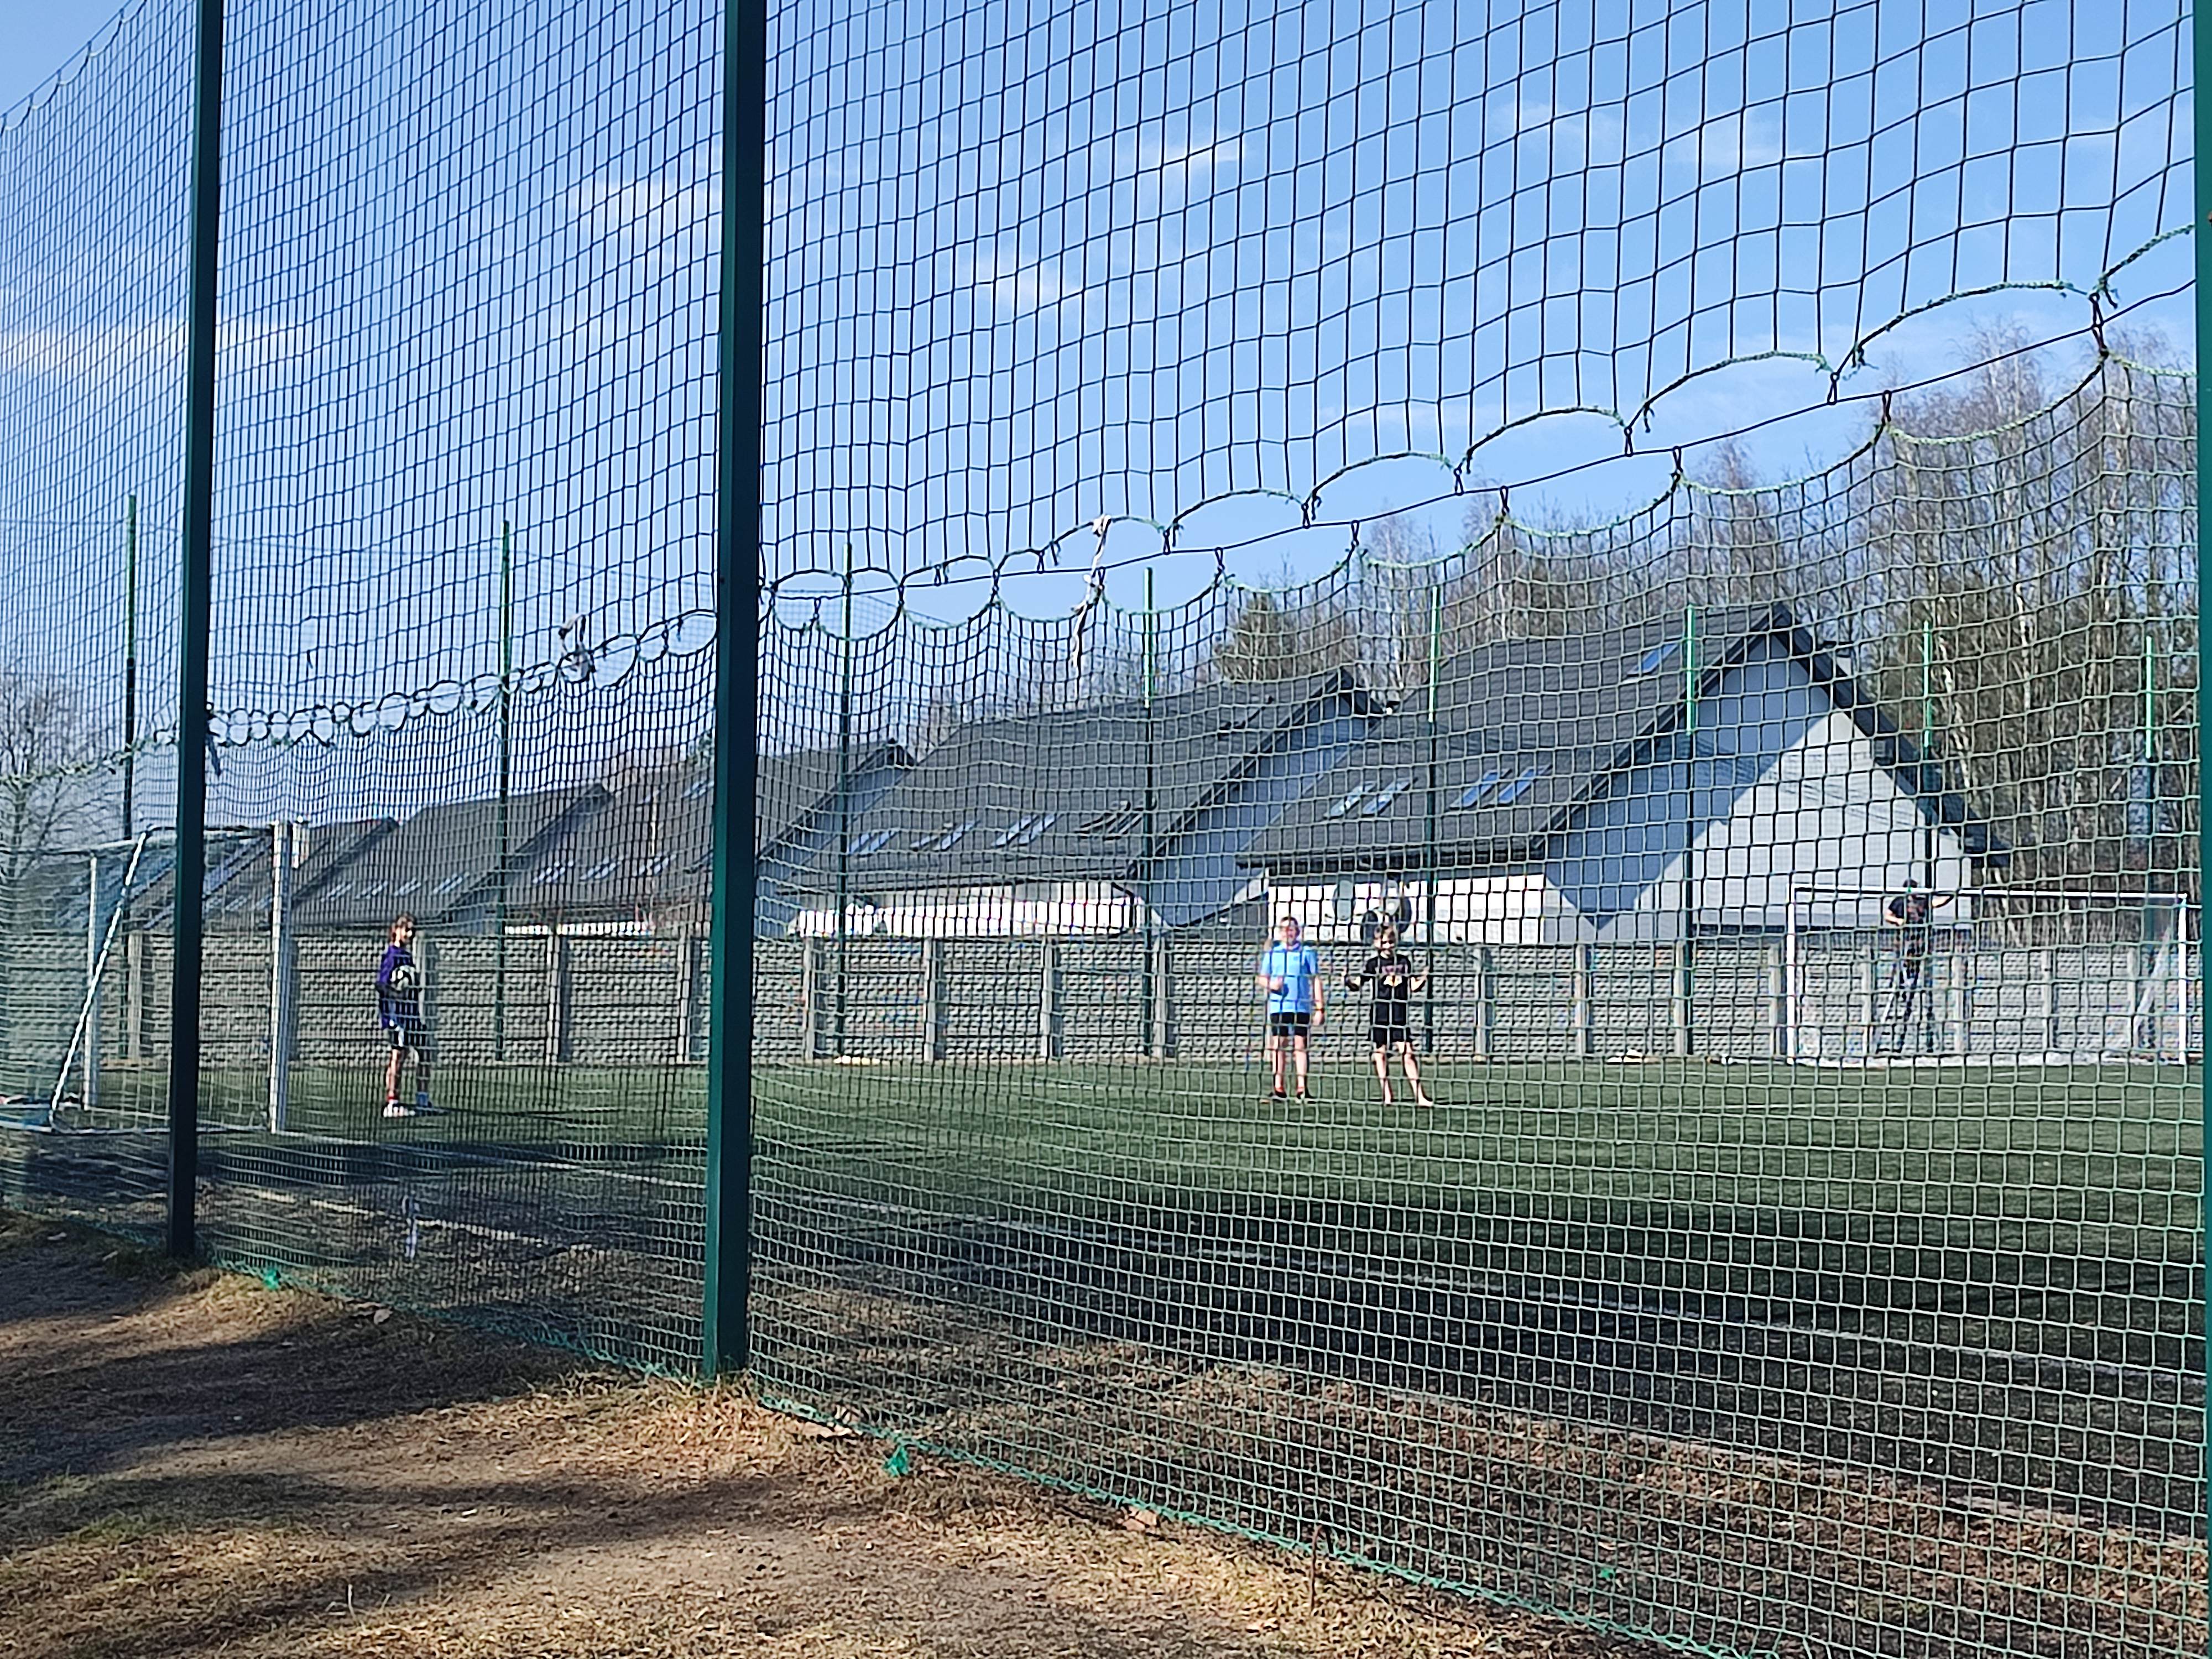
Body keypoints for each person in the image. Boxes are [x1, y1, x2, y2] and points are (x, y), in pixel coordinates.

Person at [1344, 922, 1433, 1108]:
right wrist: (1348, 981)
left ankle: (1420, 1096)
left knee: (1408, 1054)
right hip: (1380, 1014)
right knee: (1381, 1054)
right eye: (1384, 942)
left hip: (1399, 1015)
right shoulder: (1373, 964)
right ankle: (1387, 1094)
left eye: (1391, 942)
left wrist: (1425, 978)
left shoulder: (1404, 962)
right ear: (1377, 943)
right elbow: (1358, 984)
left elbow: (1413, 986)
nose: (1388, 946)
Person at [1877, 879, 1953, 1053]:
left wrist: (1951, 896)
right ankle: (1904, 984)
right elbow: (1888, 915)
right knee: (1905, 969)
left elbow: (1936, 903)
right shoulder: (1899, 902)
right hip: (1905, 942)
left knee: (1918, 970)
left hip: (1919, 943)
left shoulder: (1922, 901)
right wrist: (1898, 921)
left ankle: (1911, 981)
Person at [1254, 914, 1324, 1100]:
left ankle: (1302, 1088)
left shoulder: (1307, 952)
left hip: (1301, 1007)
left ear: (1297, 932)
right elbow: (1261, 978)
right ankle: (1279, 1088)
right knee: (1279, 1045)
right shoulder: (1273, 954)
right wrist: (1271, 985)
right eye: (1284, 929)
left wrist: (1320, 1008)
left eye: (1291, 929)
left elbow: (1316, 980)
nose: (1288, 933)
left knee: (1301, 1045)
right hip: (1279, 1007)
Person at [377, 913, 434, 1117]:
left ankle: (422, 1100)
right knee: (398, 1056)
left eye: (413, 931)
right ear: (396, 930)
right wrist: (397, 994)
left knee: (425, 1052)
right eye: (407, 930)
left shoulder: (407, 957)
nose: (410, 934)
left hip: (412, 1015)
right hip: (398, 1017)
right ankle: (392, 1103)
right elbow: (381, 985)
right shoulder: (391, 955)